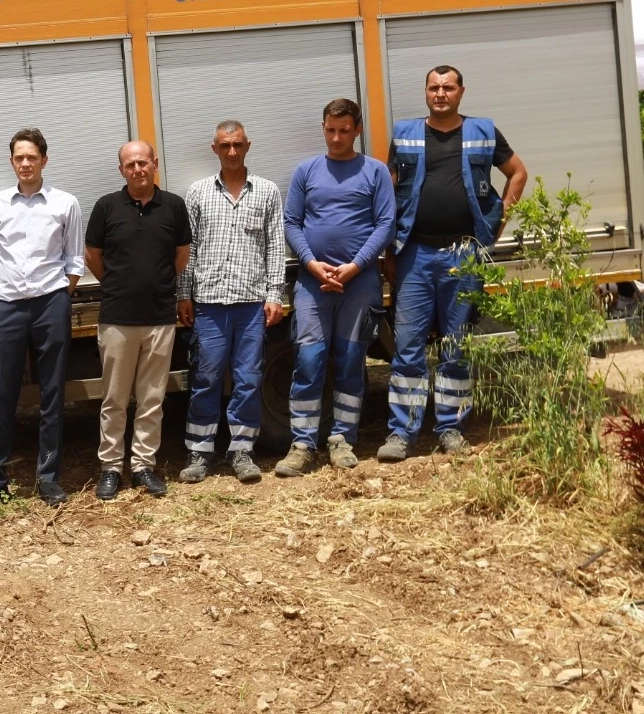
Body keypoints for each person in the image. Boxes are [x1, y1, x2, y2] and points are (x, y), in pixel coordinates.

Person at [378, 66, 527, 462]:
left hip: (464, 255)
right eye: (434, 87)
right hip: (414, 255)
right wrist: (389, 252)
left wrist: (497, 223)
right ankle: (401, 434)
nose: (440, 93)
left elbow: (517, 173)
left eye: (448, 87)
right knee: (408, 349)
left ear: (461, 92)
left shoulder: (484, 131)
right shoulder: (404, 133)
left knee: (455, 348)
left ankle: (450, 429)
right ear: (425, 92)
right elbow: (389, 194)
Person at [276, 99, 395, 477]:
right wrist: (313, 264)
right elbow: (291, 223)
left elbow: (386, 224)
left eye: (345, 131)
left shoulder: (375, 171)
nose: (337, 138)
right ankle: (301, 445)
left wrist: (354, 267)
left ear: (357, 129)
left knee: (350, 361)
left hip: (359, 284)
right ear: (323, 127)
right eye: (331, 130)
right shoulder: (306, 171)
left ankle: (343, 439)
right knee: (309, 361)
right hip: (313, 284)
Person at [0, 128, 84, 510]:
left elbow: (74, 258)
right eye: (19, 158)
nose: (25, 164)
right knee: (4, 394)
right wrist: (4, 292)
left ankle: (48, 478)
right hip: (8, 305)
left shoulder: (65, 203)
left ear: (44, 160)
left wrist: (62, 294)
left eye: (32, 157)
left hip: (51, 302)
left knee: (52, 393)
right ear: (11, 162)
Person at [179, 121, 286, 484]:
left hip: (251, 304)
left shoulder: (267, 191)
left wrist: (275, 294)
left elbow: (275, 247)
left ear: (247, 145)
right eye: (225, 145)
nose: (232, 151)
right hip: (209, 304)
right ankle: (200, 451)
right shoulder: (198, 192)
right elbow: (188, 250)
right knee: (206, 378)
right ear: (215, 149)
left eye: (237, 144)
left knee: (248, 380)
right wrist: (184, 294)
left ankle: (242, 451)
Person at [84, 140, 191, 500]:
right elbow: (93, 255)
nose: (137, 169)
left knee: (151, 399)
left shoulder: (174, 206)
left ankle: (143, 466)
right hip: (117, 318)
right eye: (130, 165)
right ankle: (111, 468)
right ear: (122, 170)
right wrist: (118, 285)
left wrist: (157, 285)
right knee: (114, 399)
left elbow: (181, 256)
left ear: (154, 164)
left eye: (143, 163)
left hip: (160, 318)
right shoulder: (106, 207)